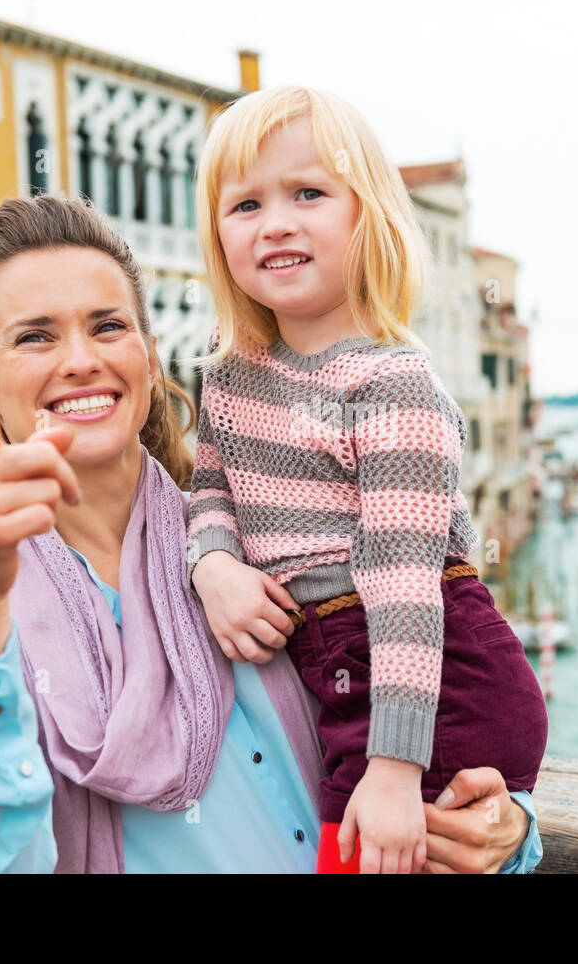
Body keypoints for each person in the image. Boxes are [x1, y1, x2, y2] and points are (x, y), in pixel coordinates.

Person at [0, 194, 543, 873]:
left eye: (107, 326)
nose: (81, 359)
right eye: (35, 336)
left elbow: (428, 702)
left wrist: (507, 831)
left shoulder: (268, 547)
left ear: (149, 358)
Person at [185, 86, 550, 874]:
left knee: (350, 859)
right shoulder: (229, 373)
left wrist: (393, 769)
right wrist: (213, 564)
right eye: (245, 204)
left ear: (367, 218)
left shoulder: (394, 387)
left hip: (435, 676)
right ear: (218, 236)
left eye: (308, 193)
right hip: (346, 673)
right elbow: (208, 486)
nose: (276, 221)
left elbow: (405, 584)